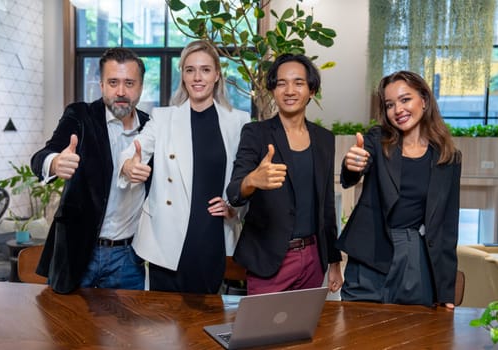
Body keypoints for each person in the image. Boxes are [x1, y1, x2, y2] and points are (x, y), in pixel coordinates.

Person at [118, 40, 250, 294]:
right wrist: (128, 166)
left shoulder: (238, 121)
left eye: (205, 69)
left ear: (217, 74)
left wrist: (233, 206)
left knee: (203, 322)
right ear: (183, 75)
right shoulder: (163, 117)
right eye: (190, 70)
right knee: (161, 324)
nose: (197, 77)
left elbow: (244, 177)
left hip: (212, 234)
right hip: (165, 236)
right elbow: (132, 152)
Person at [336, 70, 462, 308]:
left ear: (424, 100)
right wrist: (352, 164)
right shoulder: (376, 139)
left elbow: (447, 227)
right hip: (369, 252)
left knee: (412, 333)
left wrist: (446, 292)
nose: (398, 110)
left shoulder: (449, 158)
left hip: (415, 254)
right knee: (358, 333)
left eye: (405, 100)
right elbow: (354, 170)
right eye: (390, 104)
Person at [30, 47, 150, 294]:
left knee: (128, 332)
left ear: (141, 86)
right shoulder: (80, 115)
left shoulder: (151, 127)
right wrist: (55, 162)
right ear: (101, 85)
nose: (121, 91)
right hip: (79, 251)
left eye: (129, 83)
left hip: (129, 257)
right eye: (113, 82)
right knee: (67, 329)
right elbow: (41, 156)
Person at [226, 54, 343, 295]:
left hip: (313, 258)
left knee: (303, 331)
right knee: (261, 331)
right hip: (269, 257)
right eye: (281, 83)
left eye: (298, 83)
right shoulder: (255, 133)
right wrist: (252, 180)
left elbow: (326, 206)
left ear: (311, 91)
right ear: (272, 90)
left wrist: (333, 260)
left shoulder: (324, 139)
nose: (290, 90)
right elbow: (234, 192)